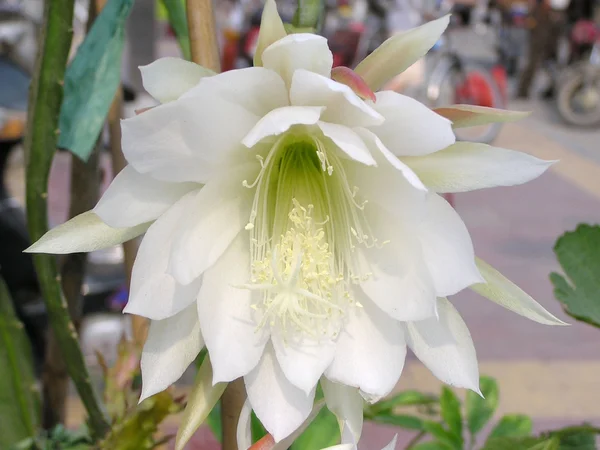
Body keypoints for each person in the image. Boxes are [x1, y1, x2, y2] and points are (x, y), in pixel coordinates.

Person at [516, 0, 570, 99]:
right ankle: (522, 91)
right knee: (532, 64)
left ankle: (550, 91)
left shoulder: (559, 14)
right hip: (538, 36)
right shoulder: (540, 9)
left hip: (552, 40)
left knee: (552, 64)